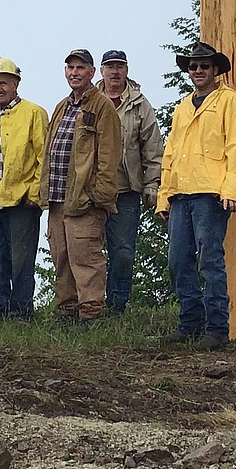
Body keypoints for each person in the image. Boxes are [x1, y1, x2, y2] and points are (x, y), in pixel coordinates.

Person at [156, 42, 236, 350]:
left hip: (211, 194)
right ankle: (190, 324)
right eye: (193, 66)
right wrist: (164, 195)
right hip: (181, 195)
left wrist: (231, 189)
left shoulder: (229, 102)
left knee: (209, 261)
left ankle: (217, 329)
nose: (197, 71)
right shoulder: (182, 108)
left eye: (204, 66)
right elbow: (170, 154)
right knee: (178, 261)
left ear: (215, 70)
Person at [39, 49, 121, 327]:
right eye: (70, 67)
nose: (74, 72)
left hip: (84, 200)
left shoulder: (102, 106)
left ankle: (91, 314)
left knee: (85, 258)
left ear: (92, 72)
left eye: (80, 68)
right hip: (58, 198)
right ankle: (67, 312)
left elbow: (110, 155)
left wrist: (98, 196)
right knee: (61, 257)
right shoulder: (62, 106)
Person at [0, 57, 48, 322]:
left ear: (16, 84)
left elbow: (42, 157)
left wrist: (34, 195)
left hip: (21, 202)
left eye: (3, 82)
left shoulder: (34, 113)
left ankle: (21, 314)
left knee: (21, 262)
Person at [96, 49, 163, 315]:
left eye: (119, 66)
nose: (115, 71)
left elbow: (153, 148)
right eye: (110, 66)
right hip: (91, 191)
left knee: (123, 253)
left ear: (127, 70)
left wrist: (152, 185)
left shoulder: (140, 105)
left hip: (126, 192)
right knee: (87, 254)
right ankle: (88, 307)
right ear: (101, 71)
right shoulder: (89, 100)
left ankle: (116, 307)